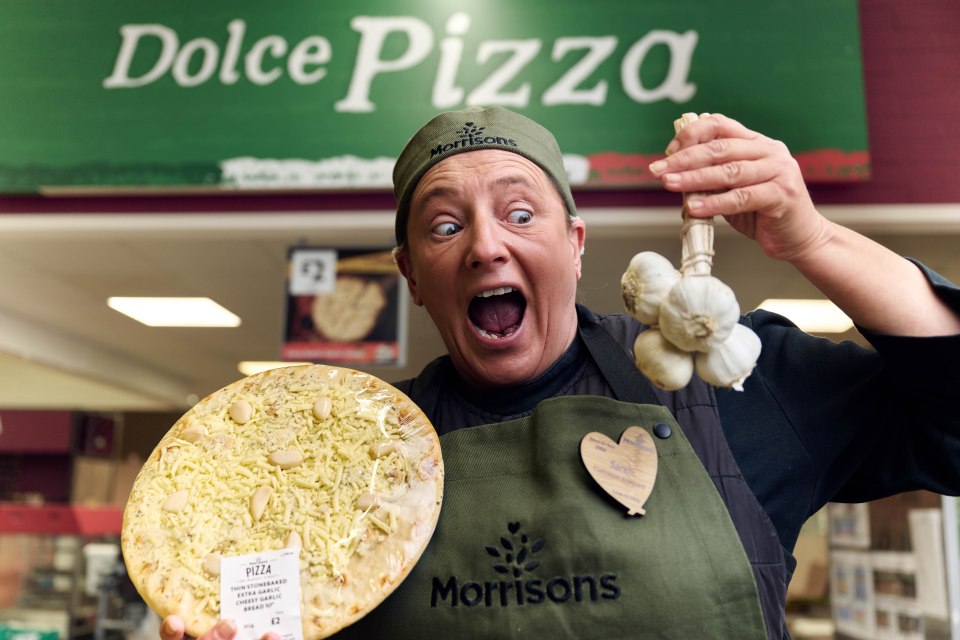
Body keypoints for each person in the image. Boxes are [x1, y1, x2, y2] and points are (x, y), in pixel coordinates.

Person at [161, 107, 960, 639]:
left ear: (575, 246)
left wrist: (813, 240)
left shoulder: (725, 383)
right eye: (445, 224)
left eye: (519, 214)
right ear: (410, 273)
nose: (485, 247)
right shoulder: (350, 463)